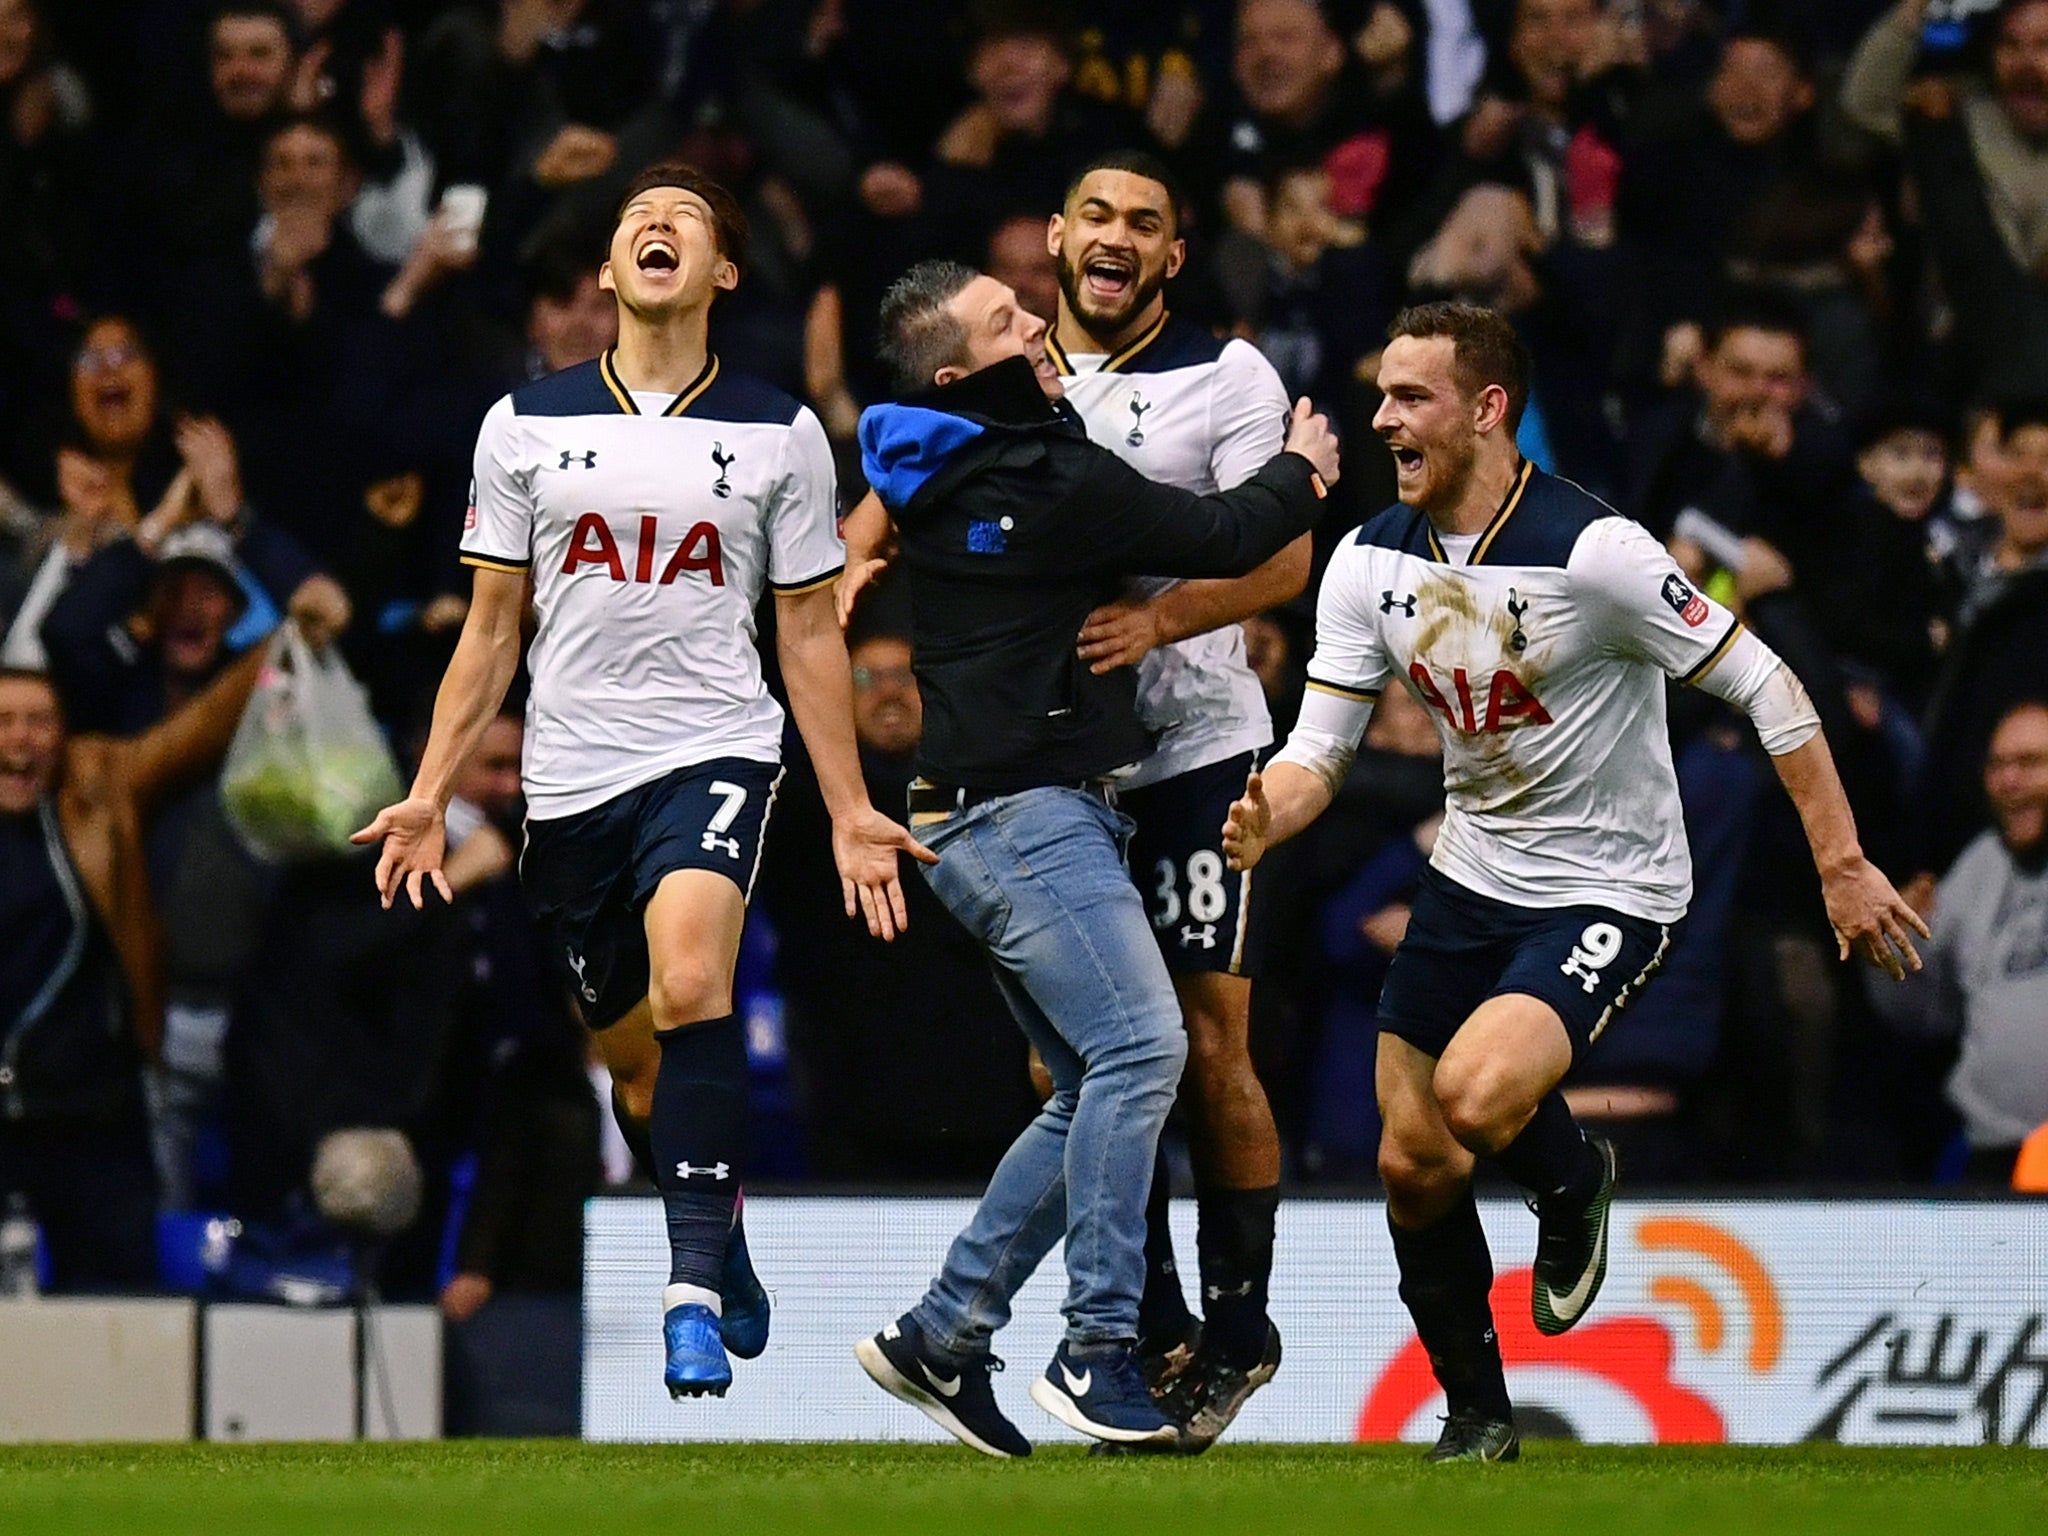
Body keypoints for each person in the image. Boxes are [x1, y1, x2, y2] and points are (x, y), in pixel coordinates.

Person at [1219, 302, 1925, 1462]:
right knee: (1410, 1159)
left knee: (1476, 1096)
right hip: (1472, 871)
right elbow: (1321, 752)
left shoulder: (1595, 553)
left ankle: (1570, 1176)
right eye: (1382, 393)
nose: (1383, 416)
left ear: (1487, 409)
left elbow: (1771, 689)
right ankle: (1476, 1416)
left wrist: (1840, 865)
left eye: (1412, 396)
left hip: (1608, 885)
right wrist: (1267, 815)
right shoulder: (1368, 558)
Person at [354, 161, 929, 1401]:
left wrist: (844, 809)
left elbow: (811, 633)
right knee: (640, 1071)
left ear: (721, 271)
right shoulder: (524, 424)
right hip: (568, 782)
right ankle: (722, 1237)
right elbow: (491, 630)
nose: (656, 226)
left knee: (690, 980)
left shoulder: (781, 433)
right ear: (610, 274)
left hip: (715, 747)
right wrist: (427, 786)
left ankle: (683, 1296)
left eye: (685, 219)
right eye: (634, 221)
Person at [846, 257, 1336, 1457]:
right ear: (966, 374)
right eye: (1011, 321)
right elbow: (1223, 530)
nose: (1039, 321)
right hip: (1027, 816)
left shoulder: (932, 463)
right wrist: (1305, 468)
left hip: (980, 816)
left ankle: (943, 1334)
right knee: (1143, 1048)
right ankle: (1097, 1347)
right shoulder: (1049, 475)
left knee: (1088, 1086)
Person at [1041, 151, 1303, 1450]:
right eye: (1098, 214)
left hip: (1200, 744)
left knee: (1206, 1047)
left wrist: (1162, 620)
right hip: (1059, 766)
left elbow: (1286, 554)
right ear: (1056, 237)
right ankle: (1147, 1327)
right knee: (1073, 1059)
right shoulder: (1013, 377)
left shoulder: (1229, 375)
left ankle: (1240, 1324)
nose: (1119, 236)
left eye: (1146, 221)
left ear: (1173, 256)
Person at [0, 638, 265, 1290]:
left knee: (119, 1306)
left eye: (40, 721)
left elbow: (193, 736)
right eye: (4, 721)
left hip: (91, 1110)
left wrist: (286, 642)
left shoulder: (93, 794)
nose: (22, 739)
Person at [1872, 699, 2048, 1187]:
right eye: (1997, 765)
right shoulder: (1979, 867)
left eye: (2031, 763)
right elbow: (1919, 1013)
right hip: (1995, 1154)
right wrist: (1892, 939)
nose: (2008, 781)